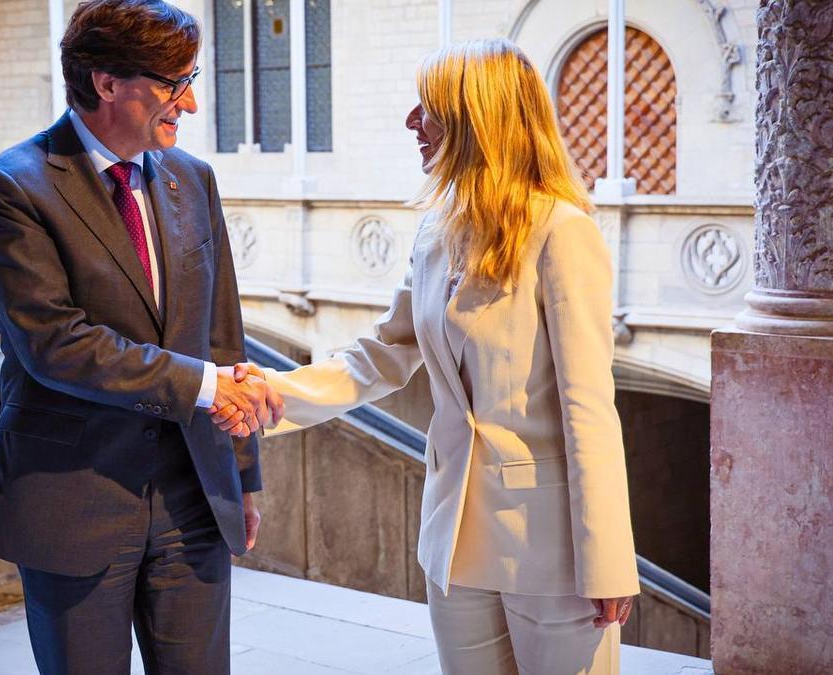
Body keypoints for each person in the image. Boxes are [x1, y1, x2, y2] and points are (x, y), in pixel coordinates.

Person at [218, 39, 639, 674]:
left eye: (429, 106)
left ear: (479, 117)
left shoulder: (562, 230)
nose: (412, 121)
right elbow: (385, 353)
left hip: (552, 546)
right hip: (454, 533)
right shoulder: (438, 228)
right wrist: (276, 391)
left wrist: (608, 555)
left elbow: (589, 407)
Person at [0, 1, 281, 673]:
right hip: (73, 498)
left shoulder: (193, 178)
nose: (190, 103)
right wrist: (205, 386)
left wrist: (243, 473)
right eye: (173, 83)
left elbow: (221, 330)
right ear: (107, 83)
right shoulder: (12, 186)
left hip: (192, 493)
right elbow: (56, 342)